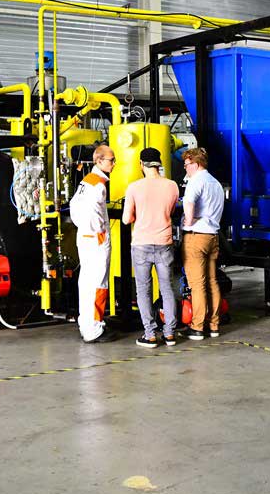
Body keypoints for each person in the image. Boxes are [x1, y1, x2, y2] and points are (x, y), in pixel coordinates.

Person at [122, 147, 180, 349]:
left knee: (143, 290)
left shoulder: (134, 188)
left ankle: (150, 335)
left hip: (141, 244)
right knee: (167, 289)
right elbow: (171, 211)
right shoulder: (172, 186)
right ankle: (170, 334)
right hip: (164, 243)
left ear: (141, 164)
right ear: (159, 164)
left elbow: (126, 219)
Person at [70, 145, 118, 343]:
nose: (114, 164)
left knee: (86, 282)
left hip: (84, 236)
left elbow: (74, 206)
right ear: (99, 161)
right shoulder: (98, 186)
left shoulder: (87, 180)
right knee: (99, 283)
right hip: (95, 239)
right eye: (111, 160)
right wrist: (99, 232)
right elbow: (92, 213)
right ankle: (94, 329)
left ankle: (87, 323)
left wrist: (86, 228)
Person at [181, 147, 224, 340]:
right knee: (212, 281)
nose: (185, 168)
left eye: (187, 165)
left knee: (197, 284)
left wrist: (188, 221)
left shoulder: (195, 181)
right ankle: (214, 325)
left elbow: (189, 203)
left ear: (196, 164)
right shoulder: (215, 183)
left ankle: (197, 327)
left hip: (196, 236)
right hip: (213, 236)